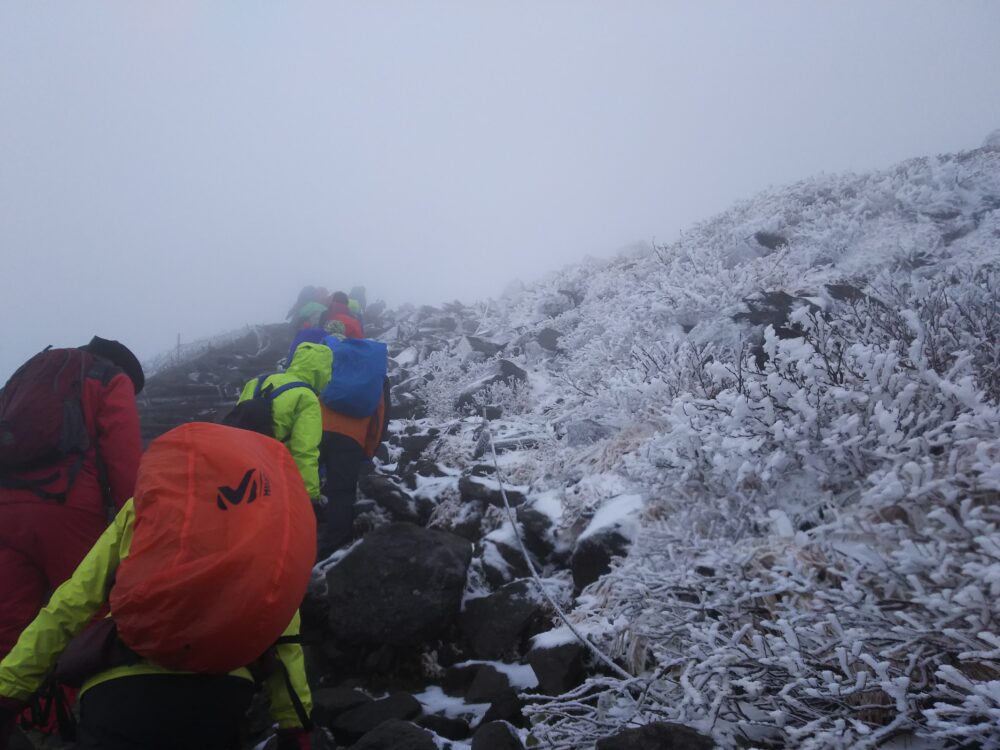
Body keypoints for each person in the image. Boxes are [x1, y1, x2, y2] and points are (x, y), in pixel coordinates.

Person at [0, 423, 314, 750]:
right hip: (224, 693)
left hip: (119, 692)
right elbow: (283, 632)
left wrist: (8, 690)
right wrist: (295, 725)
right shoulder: (262, 529)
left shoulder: (146, 505)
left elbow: (71, 604)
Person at [0, 337, 143, 660]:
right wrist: (135, 526)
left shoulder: (31, 371)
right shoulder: (108, 377)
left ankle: (16, 708)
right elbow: (124, 460)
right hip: (66, 505)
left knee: (8, 625)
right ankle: (81, 705)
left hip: (6, 509)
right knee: (86, 613)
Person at [236, 341, 332, 501]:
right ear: (322, 371)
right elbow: (304, 450)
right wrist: (309, 493)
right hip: (273, 473)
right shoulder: (306, 397)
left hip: (241, 462)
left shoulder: (256, 382)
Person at [319, 377, 391, 557]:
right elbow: (380, 415)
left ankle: (293, 534)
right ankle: (333, 548)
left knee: (300, 481)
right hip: (352, 437)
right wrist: (368, 451)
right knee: (342, 491)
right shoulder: (375, 371)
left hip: (317, 426)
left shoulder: (330, 357)